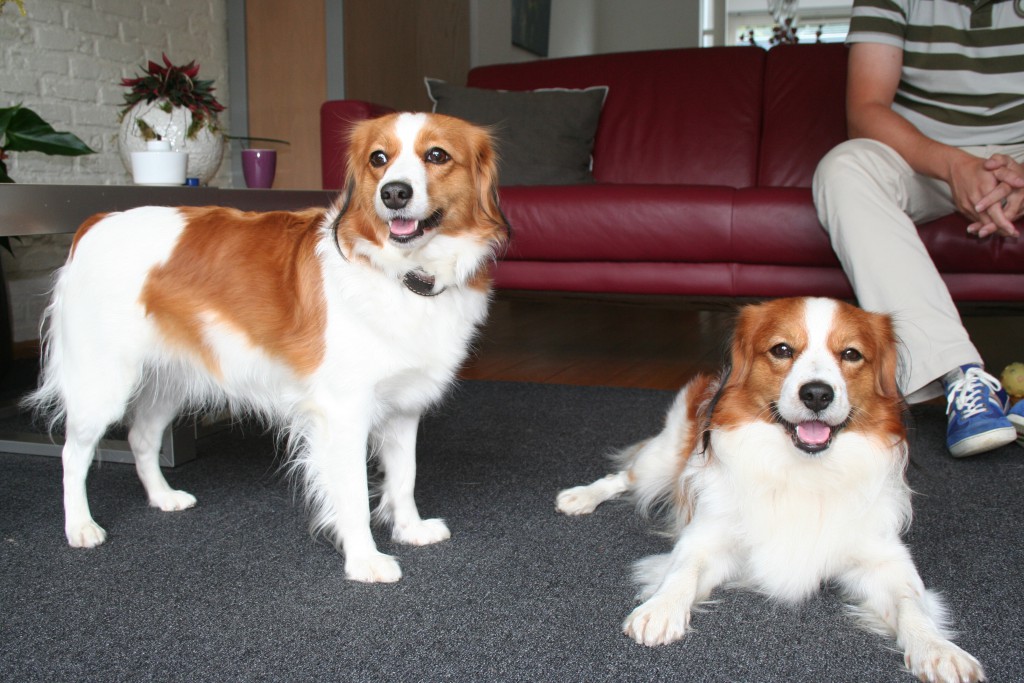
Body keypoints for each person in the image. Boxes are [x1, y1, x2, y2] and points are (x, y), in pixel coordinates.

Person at [812, 0, 1024, 457]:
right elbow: (865, 110)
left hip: (1020, 153)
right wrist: (954, 165)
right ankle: (959, 376)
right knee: (843, 167)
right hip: (922, 155)